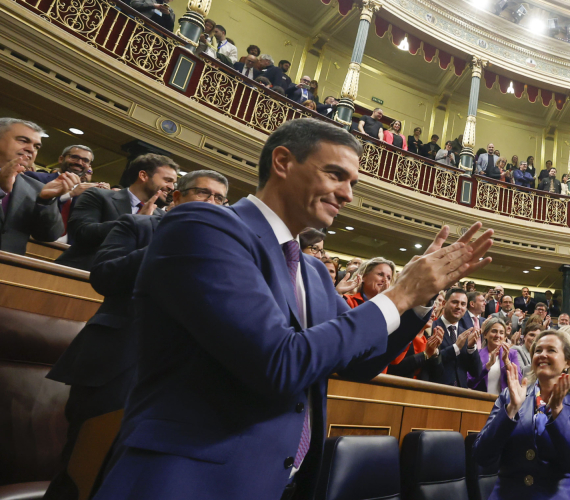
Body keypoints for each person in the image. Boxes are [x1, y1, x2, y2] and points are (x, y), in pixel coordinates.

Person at [92, 119, 493, 500]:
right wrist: (399, 294)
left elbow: (359, 362)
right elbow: (278, 362)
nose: (348, 195)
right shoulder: (203, 226)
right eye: (335, 175)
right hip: (188, 480)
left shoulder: (313, 272)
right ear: (283, 162)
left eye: (352, 183)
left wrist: (416, 302)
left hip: (281, 482)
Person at [43, 170, 229, 500]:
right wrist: (173, 244)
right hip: (115, 365)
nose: (211, 202)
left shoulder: (223, 250)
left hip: (176, 379)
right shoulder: (138, 226)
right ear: (178, 197)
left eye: (219, 198)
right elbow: (104, 276)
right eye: (203, 193)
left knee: (136, 479)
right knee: (82, 472)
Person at [474, 329, 570, 500]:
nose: (542, 354)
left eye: (551, 350)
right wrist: (511, 409)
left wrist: (557, 413)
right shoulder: (510, 396)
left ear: (567, 361)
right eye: (538, 350)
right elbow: (482, 456)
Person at [57, 153, 178, 269]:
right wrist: (135, 221)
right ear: (143, 176)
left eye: (173, 183)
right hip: (77, 272)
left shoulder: (162, 217)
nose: (171, 187)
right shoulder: (98, 195)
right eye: (167, 180)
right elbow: (81, 232)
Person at [0, 119, 73, 254]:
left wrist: (46, 202)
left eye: (36, 147)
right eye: (23, 141)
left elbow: (49, 235)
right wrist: (1, 190)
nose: (31, 149)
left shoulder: (36, 188)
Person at [473, 317, 523, 394]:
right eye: (494, 331)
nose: (497, 335)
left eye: (501, 333)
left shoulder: (512, 354)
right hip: (480, 399)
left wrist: (506, 361)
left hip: (504, 400)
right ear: (485, 334)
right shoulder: (477, 354)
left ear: (505, 337)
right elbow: (470, 381)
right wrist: (489, 365)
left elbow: (518, 380)